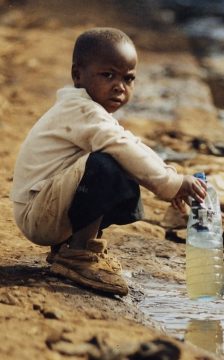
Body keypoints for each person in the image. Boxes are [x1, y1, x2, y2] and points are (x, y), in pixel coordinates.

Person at [10, 27, 206, 296]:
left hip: (46, 208)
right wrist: (171, 183)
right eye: (108, 75)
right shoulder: (80, 110)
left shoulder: (91, 112)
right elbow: (122, 147)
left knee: (122, 162)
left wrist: (170, 176)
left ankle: (70, 248)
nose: (119, 86)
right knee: (108, 164)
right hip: (38, 214)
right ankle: (78, 254)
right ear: (77, 75)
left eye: (129, 78)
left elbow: (131, 145)